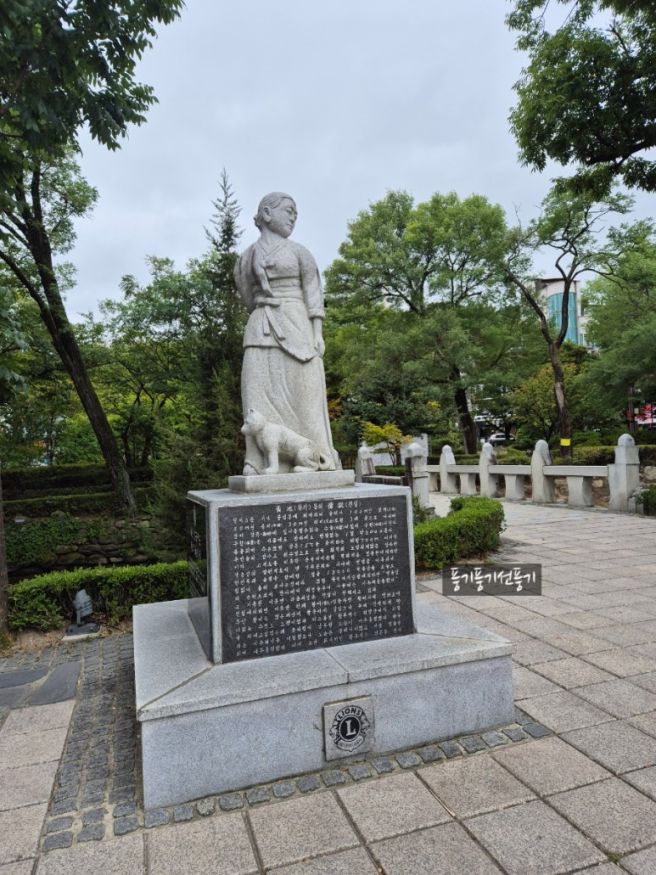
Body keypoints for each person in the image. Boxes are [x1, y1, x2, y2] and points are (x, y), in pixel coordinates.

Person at [234, 192, 340, 475]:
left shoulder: (300, 253)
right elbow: (247, 294)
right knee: (256, 393)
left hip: (298, 325)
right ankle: (257, 460)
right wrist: (264, 307)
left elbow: (313, 293)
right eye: (289, 210)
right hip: (261, 326)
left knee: (306, 395)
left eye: (296, 213)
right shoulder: (247, 258)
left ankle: (317, 456)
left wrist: (317, 333)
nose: (294, 216)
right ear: (266, 214)